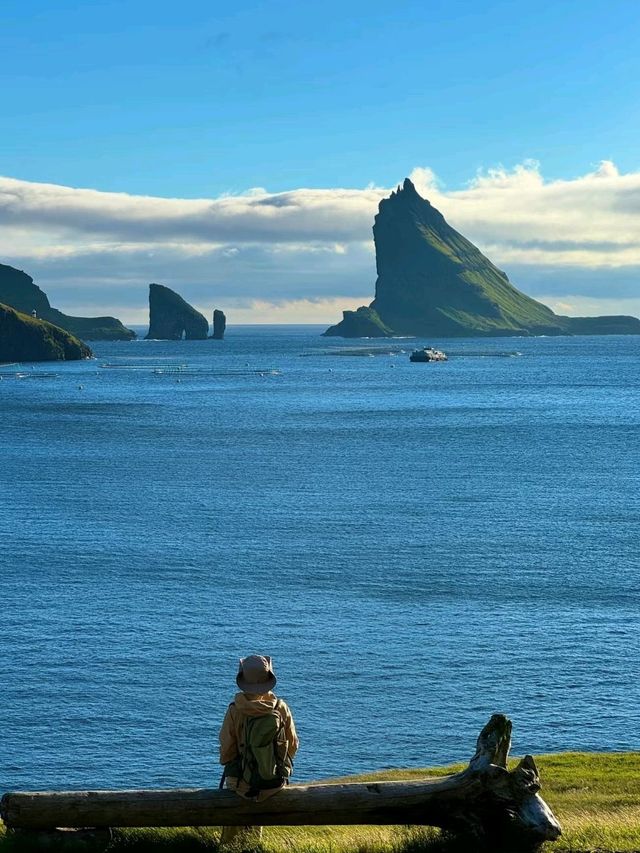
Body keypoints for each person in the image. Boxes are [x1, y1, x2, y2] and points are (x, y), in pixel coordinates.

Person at [219, 654, 298, 846]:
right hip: (271, 783)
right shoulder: (280, 708)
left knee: (230, 840)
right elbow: (293, 745)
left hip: (240, 785)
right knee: (254, 839)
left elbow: (226, 752)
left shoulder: (234, 710)